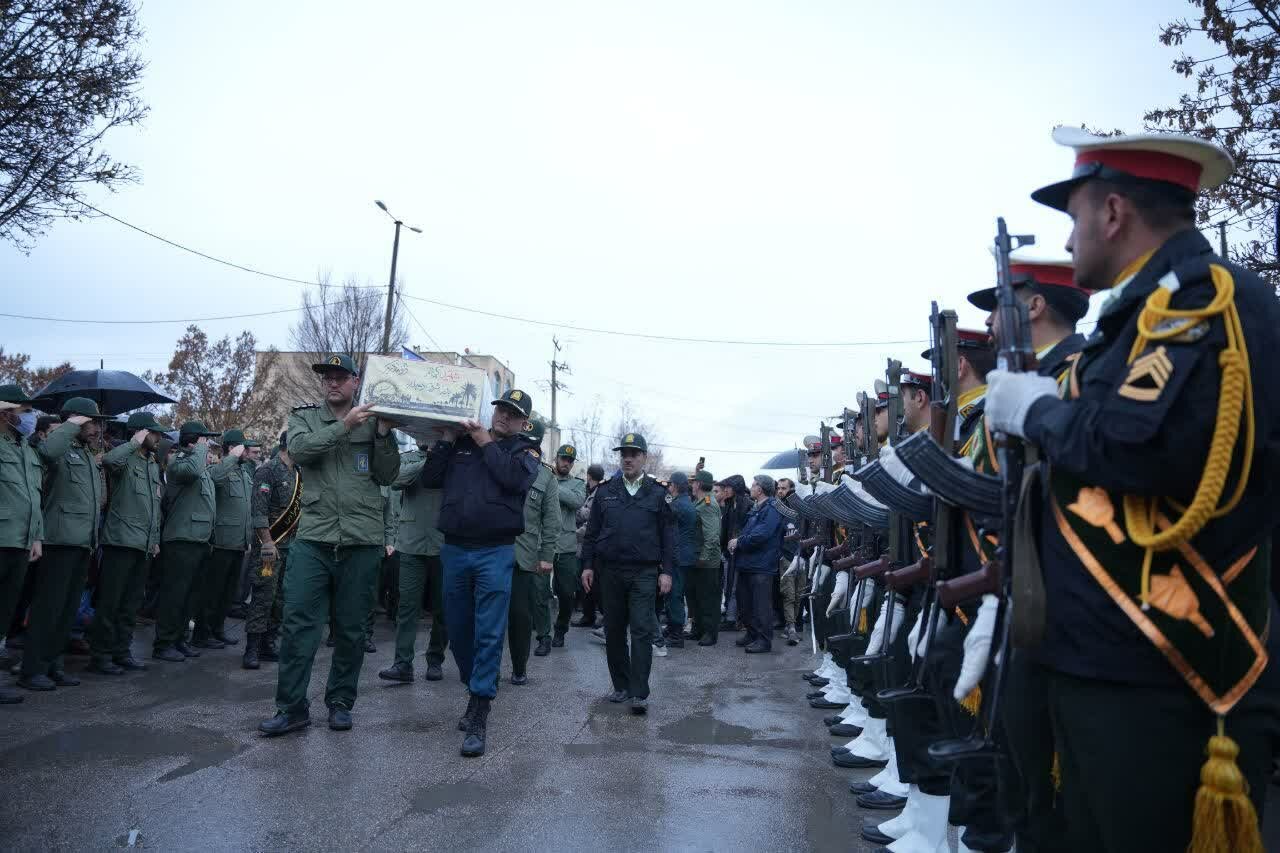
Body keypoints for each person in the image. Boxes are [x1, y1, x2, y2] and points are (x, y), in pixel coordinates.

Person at [983, 128, 1280, 852]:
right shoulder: (1140, 316)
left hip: (1157, 667)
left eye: (1075, 216)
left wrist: (1038, 411)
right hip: (1108, 655)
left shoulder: (1197, 304)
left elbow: (1133, 447)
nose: (1070, 239)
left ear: (1113, 212)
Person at [258, 353, 399, 737]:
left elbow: (389, 475)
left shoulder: (374, 421)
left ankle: (340, 703)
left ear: (356, 382)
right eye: (327, 378)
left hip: (362, 539)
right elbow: (300, 451)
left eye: (340, 377)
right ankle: (291, 708)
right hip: (314, 538)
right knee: (299, 625)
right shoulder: (304, 418)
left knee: (352, 630)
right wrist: (345, 425)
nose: (332, 383)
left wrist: (383, 436)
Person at [420, 388, 539, 757]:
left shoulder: (525, 452)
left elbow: (513, 481)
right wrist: (445, 439)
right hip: (455, 549)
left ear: (523, 422)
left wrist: (485, 441)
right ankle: (475, 689)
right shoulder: (463, 443)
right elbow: (430, 478)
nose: (503, 416)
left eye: (512, 413)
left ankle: (480, 710)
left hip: (494, 552)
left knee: (489, 632)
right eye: (500, 409)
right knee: (458, 632)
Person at [18, 398, 110, 691]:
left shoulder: (85, 454)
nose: (97, 429)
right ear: (76, 421)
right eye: (91, 422)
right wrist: (70, 425)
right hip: (59, 540)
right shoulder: (60, 447)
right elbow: (46, 452)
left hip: (83, 542)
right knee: (49, 608)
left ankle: (53, 664)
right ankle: (33, 668)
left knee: (68, 609)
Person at [581, 433, 675, 714]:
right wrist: (587, 565)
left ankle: (639, 692)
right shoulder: (606, 491)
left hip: (644, 572)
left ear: (644, 457)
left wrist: (667, 572)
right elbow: (592, 533)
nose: (628, 459)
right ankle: (621, 686)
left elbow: (668, 537)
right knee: (613, 630)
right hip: (610, 571)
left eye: (634, 454)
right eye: (624, 454)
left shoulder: (658, 492)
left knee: (642, 630)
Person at [88, 411, 166, 676]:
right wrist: (133, 442)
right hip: (120, 541)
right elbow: (109, 460)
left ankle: (121, 651)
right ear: (141, 433)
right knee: (110, 602)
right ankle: (100, 655)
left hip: (144, 544)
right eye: (153, 433)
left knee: (131, 603)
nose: (158, 438)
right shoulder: (125, 457)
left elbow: (155, 507)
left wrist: (154, 540)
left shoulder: (152, 463)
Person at [152, 420, 226, 662]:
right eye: (204, 440)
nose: (208, 445)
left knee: (190, 596)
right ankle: (163, 643)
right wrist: (200, 448)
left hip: (199, 540)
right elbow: (192, 471)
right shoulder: (179, 462)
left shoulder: (200, 465)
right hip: (182, 539)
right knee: (175, 595)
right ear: (194, 441)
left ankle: (179, 639)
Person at [377, 434, 448, 683]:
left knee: (443, 608)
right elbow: (396, 480)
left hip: (443, 543)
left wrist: (441, 455)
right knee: (406, 607)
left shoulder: (451, 458)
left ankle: (435, 659)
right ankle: (402, 663)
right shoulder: (408, 460)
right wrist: (428, 459)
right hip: (410, 542)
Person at [193, 428, 259, 649]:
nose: (248, 452)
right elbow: (214, 478)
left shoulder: (243, 473)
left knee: (228, 592)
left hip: (238, 542)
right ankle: (202, 634)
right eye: (244, 448)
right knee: (212, 591)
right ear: (232, 448)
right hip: (221, 542)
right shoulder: (219, 468)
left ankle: (217, 629)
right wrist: (231, 457)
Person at [506, 418, 559, 685]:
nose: (526, 449)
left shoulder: (546, 476)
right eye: (522, 443)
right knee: (487, 616)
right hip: (492, 550)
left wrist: (546, 556)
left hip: (523, 557)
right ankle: (484, 669)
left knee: (520, 616)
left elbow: (551, 520)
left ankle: (519, 667)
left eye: (531, 445)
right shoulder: (501, 462)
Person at [0, 384, 43, 704]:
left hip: (21, 540)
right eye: (24, 412)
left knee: (4, 614)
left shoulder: (25, 449)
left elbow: (33, 497)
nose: (30, 418)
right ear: (5, 414)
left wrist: (36, 536)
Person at [243, 432, 300, 670]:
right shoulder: (268, 471)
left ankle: (269, 643)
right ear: (290, 444)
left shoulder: (298, 473)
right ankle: (252, 648)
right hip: (269, 547)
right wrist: (267, 542)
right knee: (263, 595)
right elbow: (259, 511)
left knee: (281, 598)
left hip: (290, 547)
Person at [728, 474, 785, 654]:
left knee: (761, 605)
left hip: (761, 565)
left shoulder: (772, 509)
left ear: (760, 489)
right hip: (748, 563)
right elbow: (749, 530)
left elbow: (762, 534)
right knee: (745, 603)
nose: (751, 488)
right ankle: (752, 633)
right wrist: (738, 541)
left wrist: (739, 542)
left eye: (753, 485)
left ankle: (764, 640)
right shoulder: (757, 508)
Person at [682, 469, 723, 646]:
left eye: (693, 482)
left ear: (698, 484)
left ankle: (710, 633)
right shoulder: (699, 502)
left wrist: (704, 558)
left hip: (706, 561)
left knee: (708, 599)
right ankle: (698, 629)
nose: (691, 485)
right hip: (696, 558)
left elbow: (712, 536)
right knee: (695, 597)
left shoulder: (708, 504)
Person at [550, 444, 585, 648]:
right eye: (563, 458)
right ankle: (543, 632)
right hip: (543, 543)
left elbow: (576, 501)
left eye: (570, 461)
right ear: (557, 458)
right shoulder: (545, 477)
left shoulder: (577, 484)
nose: (566, 463)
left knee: (566, 592)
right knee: (538, 591)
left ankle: (561, 628)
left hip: (566, 546)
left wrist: (551, 484)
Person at [665, 471, 698, 649]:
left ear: (675, 486)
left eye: (670, 484)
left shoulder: (678, 505)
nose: (668, 487)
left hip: (679, 557)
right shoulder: (686, 502)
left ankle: (676, 635)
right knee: (674, 594)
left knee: (674, 595)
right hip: (684, 555)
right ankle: (672, 628)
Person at [574, 463, 606, 628]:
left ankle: (602, 616)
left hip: (591, 544)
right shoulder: (593, 492)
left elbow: (592, 522)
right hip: (587, 545)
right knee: (587, 582)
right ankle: (588, 615)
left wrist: (574, 534)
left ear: (589, 476)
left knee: (595, 583)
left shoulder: (598, 493)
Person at [775, 477, 805, 645]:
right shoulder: (778, 509)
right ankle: (791, 627)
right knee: (789, 594)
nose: (780, 491)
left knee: (799, 594)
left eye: (784, 488)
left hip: (802, 557)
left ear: (792, 490)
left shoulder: (802, 509)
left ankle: (791, 625)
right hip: (786, 557)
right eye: (779, 488)